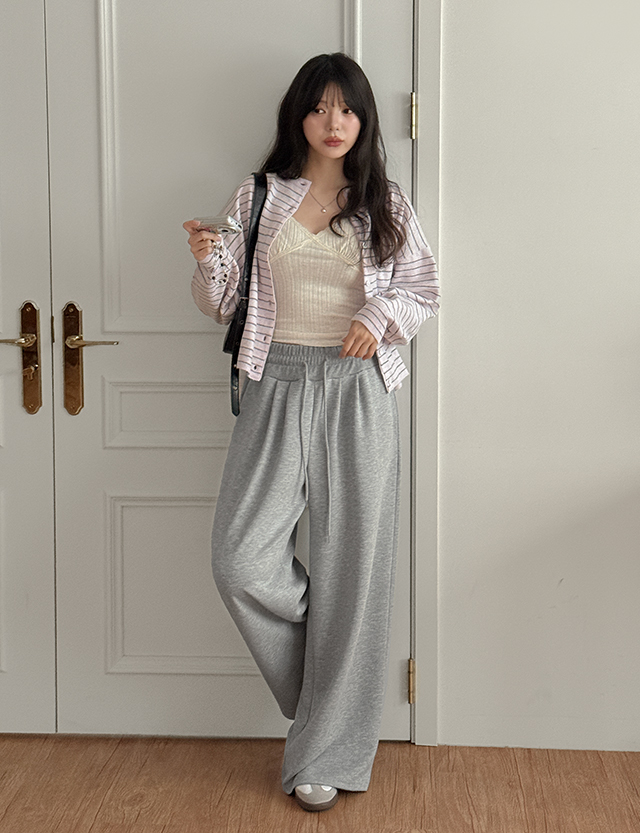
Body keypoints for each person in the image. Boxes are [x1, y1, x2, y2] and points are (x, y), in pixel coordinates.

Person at [183, 52, 439, 813]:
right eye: (321, 106)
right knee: (240, 558)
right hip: (274, 383)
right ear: (298, 114)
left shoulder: (384, 200)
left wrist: (378, 315)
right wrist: (207, 260)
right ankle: (331, 693)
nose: (334, 122)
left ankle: (325, 750)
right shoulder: (259, 195)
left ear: (364, 121)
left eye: (348, 109)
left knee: (355, 570)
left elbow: (424, 288)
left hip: (359, 389)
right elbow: (222, 303)